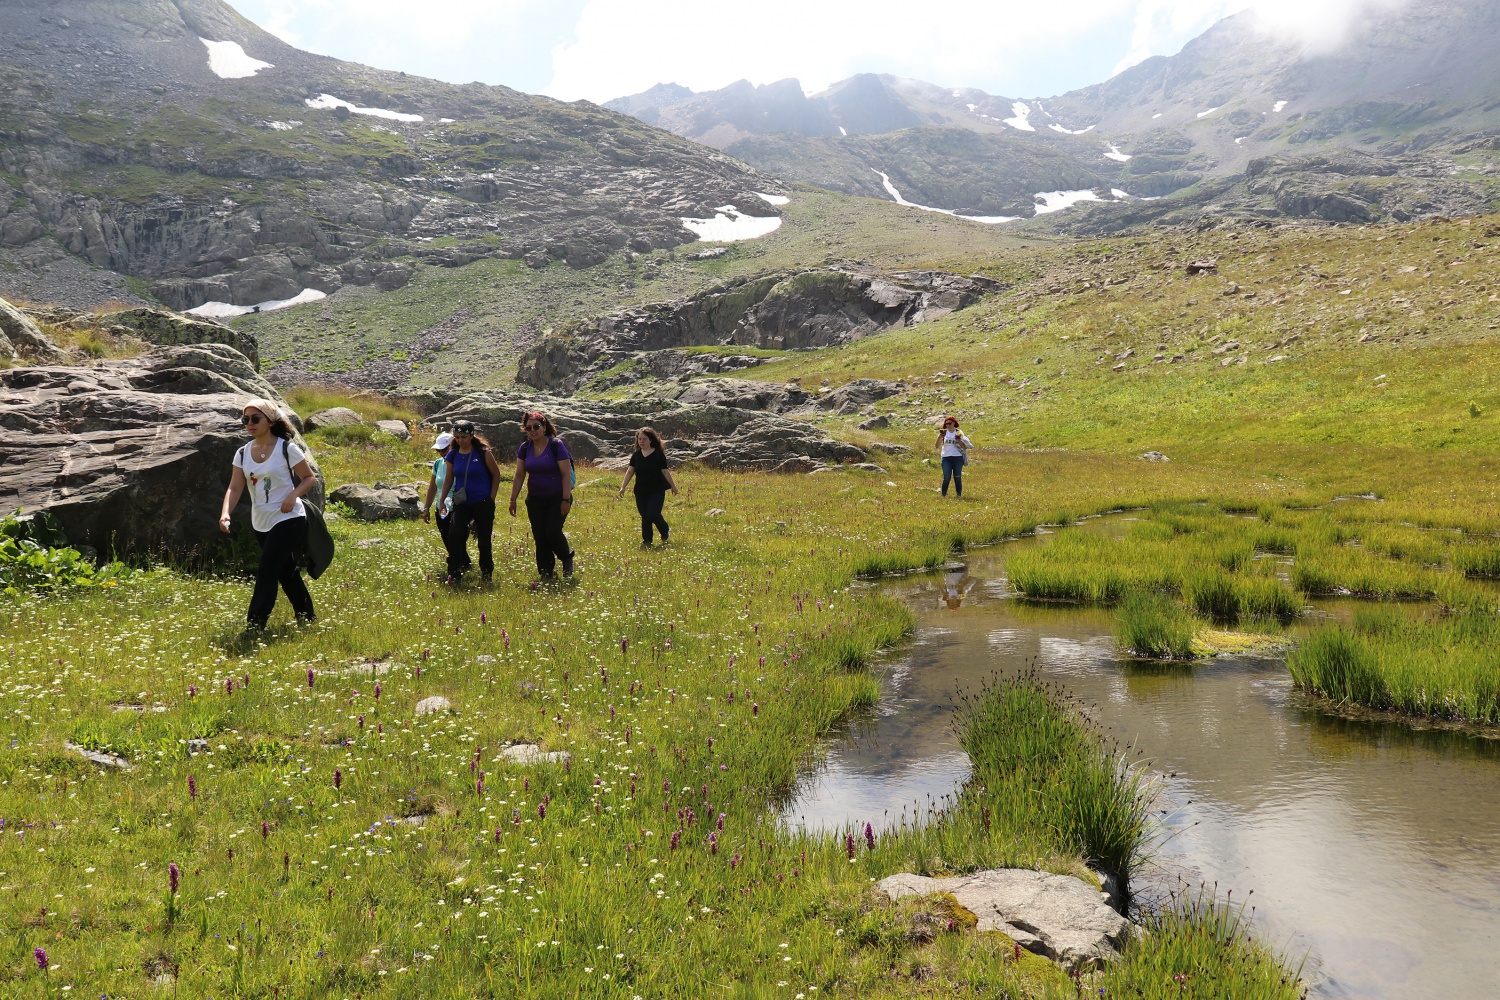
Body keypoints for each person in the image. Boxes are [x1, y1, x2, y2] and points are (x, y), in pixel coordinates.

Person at [218, 397, 318, 630]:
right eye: (245, 420)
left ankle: (255, 624)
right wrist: (225, 513)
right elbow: (235, 487)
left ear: (271, 420)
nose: (249, 424)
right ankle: (307, 615)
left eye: (255, 419)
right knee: (285, 570)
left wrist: (293, 496)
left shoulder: (286, 449)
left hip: (289, 517)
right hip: (261, 521)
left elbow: (309, 477)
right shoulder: (242, 453)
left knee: (267, 569)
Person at [508, 411, 575, 579]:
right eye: (528, 427)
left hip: (557, 497)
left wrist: (565, 499)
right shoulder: (525, 448)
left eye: (536, 426)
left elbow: (566, 474)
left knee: (552, 532)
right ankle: (546, 571)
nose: (533, 430)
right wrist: (513, 498)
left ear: (544, 427)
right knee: (540, 535)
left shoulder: (556, 445)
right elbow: (519, 474)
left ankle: (566, 558)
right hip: (535, 499)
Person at [438, 420, 501, 583]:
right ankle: (454, 572)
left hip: (482, 501)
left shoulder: (483, 453)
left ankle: (487, 572)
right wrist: (442, 500)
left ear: (472, 436)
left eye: (464, 437)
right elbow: (449, 478)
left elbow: (496, 474)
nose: (460, 440)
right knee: (454, 534)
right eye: (457, 437)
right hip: (462, 502)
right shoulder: (453, 454)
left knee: (484, 540)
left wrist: (491, 499)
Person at [617, 426, 679, 545]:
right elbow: (630, 471)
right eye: (639, 439)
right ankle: (647, 540)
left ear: (651, 440)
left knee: (653, 513)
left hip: (656, 490)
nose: (641, 441)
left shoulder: (658, 455)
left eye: (644, 439)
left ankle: (664, 530)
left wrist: (673, 486)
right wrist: (623, 487)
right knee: (645, 516)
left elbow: (665, 471)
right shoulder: (636, 455)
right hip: (640, 491)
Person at [421, 431, 459, 569]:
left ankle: (455, 568)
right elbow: (432, 488)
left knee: (456, 540)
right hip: (441, 508)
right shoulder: (437, 464)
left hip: (458, 507)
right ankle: (463, 564)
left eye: (444, 449)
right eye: (438, 450)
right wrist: (426, 508)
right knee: (447, 540)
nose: (441, 452)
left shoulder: (460, 462)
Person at [935, 416, 972, 498]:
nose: (948, 425)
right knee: (946, 477)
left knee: (957, 477)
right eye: (946, 424)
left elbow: (964, 447)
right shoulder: (943, 433)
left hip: (957, 457)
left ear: (954, 423)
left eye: (950, 423)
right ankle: (943, 495)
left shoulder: (959, 433)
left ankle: (958, 495)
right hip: (946, 457)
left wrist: (959, 441)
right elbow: (937, 446)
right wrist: (939, 438)